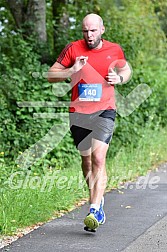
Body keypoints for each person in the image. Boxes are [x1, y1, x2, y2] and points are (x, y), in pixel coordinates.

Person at [48, 13, 132, 231]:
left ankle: (94, 209)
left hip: (105, 110)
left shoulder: (114, 50)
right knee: (86, 161)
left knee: (98, 157)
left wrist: (120, 78)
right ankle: (97, 200)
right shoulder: (73, 49)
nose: (89, 35)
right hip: (79, 112)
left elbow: (126, 69)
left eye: (93, 30)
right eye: (85, 30)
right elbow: (51, 74)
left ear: (102, 29)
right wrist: (71, 70)